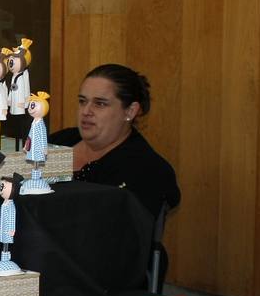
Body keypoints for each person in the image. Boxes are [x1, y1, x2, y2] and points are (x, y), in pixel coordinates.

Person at [50, 63, 180, 220]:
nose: (86, 111)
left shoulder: (146, 168)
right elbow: (15, 177)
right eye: (83, 101)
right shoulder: (63, 140)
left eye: (100, 104)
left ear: (130, 111)